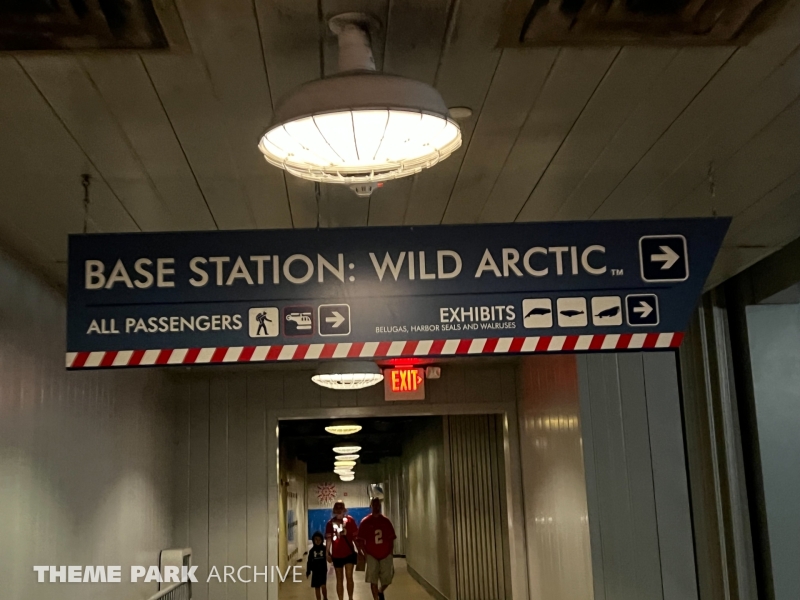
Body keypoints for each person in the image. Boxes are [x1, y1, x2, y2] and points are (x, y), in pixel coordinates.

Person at [357, 498, 396, 600]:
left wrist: (390, 553)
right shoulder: (365, 522)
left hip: (385, 554)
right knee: (373, 579)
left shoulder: (386, 521)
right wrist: (364, 553)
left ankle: (380, 590)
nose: (376, 507)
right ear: (371, 506)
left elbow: (391, 539)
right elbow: (360, 540)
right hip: (371, 554)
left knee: (388, 578)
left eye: (378, 505)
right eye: (374, 505)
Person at [325, 501, 359, 600]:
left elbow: (355, 538)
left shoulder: (349, 521)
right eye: (337, 508)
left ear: (344, 509)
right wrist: (327, 552)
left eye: (340, 508)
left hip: (348, 552)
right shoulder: (330, 523)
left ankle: (350, 598)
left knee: (348, 577)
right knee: (340, 579)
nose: (339, 510)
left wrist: (360, 551)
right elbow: (329, 539)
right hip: (337, 554)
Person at [306, 531, 328, 600]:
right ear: (313, 540)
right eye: (316, 539)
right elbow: (309, 561)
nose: (318, 541)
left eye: (319, 539)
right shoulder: (312, 551)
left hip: (323, 570)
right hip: (315, 571)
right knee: (317, 587)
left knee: (323, 586)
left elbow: (329, 556)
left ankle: (325, 597)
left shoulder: (324, 549)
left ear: (322, 540)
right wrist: (308, 571)